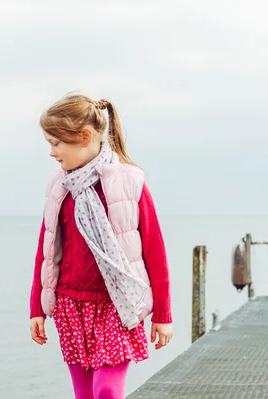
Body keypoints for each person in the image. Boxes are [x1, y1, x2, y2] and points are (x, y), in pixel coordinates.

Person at [29, 93, 173, 399]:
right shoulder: (59, 186)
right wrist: (37, 308)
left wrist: (163, 314)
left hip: (117, 305)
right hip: (71, 304)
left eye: (56, 143)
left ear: (84, 137)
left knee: (106, 390)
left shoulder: (129, 182)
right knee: (84, 393)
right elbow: (47, 250)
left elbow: (155, 252)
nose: (51, 152)